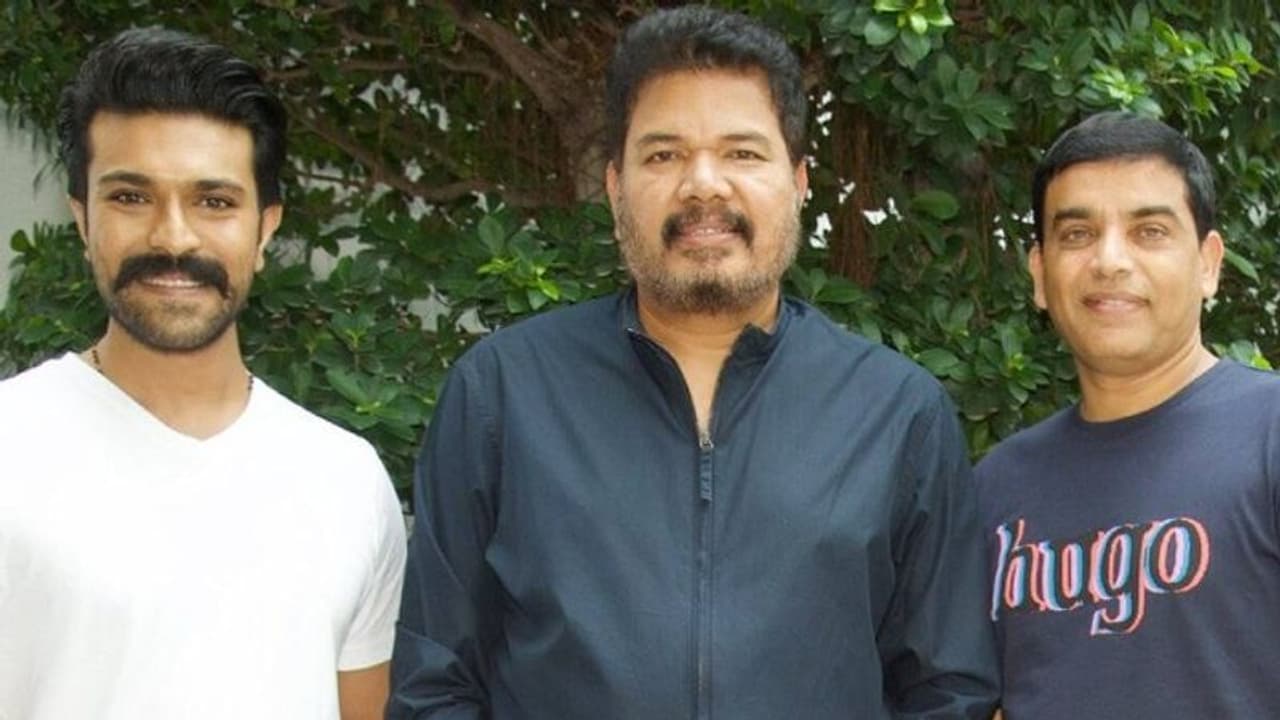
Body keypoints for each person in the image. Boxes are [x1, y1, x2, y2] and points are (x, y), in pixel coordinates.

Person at [389, 6, 998, 718]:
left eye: (742, 153)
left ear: (799, 180)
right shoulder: (503, 395)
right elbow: (434, 685)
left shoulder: (897, 414)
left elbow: (947, 694)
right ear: (615, 186)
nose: (704, 185)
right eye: (664, 155)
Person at [0, 28, 404, 720]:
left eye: (214, 201)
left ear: (265, 228)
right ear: (82, 221)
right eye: (131, 197)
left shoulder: (346, 480)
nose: (173, 237)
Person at [976, 111, 1280, 718]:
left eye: (1150, 231)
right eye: (1077, 234)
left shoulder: (1269, 433)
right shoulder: (994, 487)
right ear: (1040, 275)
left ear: (1208, 263)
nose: (1110, 260)